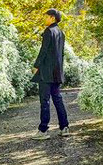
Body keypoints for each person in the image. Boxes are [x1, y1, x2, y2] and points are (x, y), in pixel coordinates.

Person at [30, 8, 71, 140]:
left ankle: (43, 131)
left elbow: (44, 51)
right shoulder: (61, 32)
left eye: (46, 17)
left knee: (45, 101)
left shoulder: (48, 32)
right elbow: (61, 54)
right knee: (58, 99)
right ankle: (64, 127)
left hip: (46, 72)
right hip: (57, 72)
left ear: (52, 18)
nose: (44, 19)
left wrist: (36, 65)